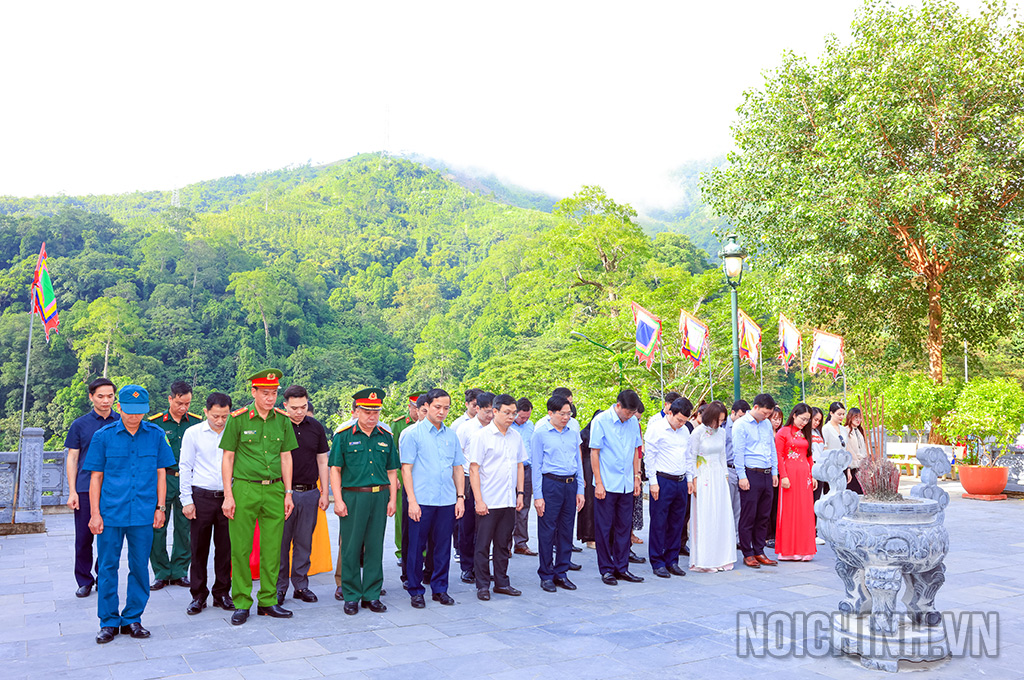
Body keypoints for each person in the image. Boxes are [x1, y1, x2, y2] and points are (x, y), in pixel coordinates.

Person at [83, 385, 176, 644]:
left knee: (139, 567)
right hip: (111, 513)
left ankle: (133, 618)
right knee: (107, 567)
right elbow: (96, 478)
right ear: (119, 407)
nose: (134, 416)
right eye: (129, 411)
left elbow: (161, 473)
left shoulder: (156, 434)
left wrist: (160, 508)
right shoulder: (103, 436)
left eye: (140, 411)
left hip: (144, 513)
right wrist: (94, 514)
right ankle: (108, 622)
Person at [220, 368, 299, 625]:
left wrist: (288, 493)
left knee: (273, 549)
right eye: (265, 393)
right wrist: (228, 495)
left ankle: (268, 600)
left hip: (275, 490)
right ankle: (242, 602)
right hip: (245, 488)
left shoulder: (283, 420)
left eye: (274, 393)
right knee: (241, 549)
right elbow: (228, 458)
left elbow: (286, 457)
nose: (270, 398)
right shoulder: (238, 419)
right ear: (253, 392)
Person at [329, 388, 399, 615]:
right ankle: (351, 595)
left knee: (375, 546)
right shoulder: (343, 435)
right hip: (353, 496)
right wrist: (338, 500)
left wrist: (392, 499)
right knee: (351, 547)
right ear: (356, 411)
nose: (372, 416)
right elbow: (335, 469)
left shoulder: (385, 436)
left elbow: (392, 471)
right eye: (367, 412)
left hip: (379, 496)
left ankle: (372, 595)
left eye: (375, 412)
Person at [402, 388, 466, 608]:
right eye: (437, 407)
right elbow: (406, 469)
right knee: (416, 547)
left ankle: (440, 589)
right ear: (426, 406)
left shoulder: (451, 435)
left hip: (446, 500)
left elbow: (458, 468)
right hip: (421, 501)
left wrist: (460, 497)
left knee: (442, 547)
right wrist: (411, 500)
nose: (442, 412)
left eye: (446, 408)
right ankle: (415, 590)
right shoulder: (412, 434)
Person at [468, 394, 527, 600]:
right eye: (507, 413)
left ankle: (502, 582)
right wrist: (479, 500)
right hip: (488, 501)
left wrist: (520, 493)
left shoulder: (515, 436)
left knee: (503, 544)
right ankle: (483, 585)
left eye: (513, 413)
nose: (511, 417)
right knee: (483, 545)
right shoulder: (481, 436)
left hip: (508, 500)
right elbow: (474, 469)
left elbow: (520, 466)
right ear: (495, 411)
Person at [180, 392, 235, 615]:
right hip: (201, 497)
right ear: (206, 412)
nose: (220, 421)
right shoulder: (193, 433)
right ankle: (198, 595)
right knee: (198, 549)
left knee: (225, 549)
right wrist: (186, 500)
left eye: (224, 416)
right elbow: (185, 467)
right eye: (215, 416)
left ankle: (222, 593)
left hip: (228, 497)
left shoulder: (235, 432)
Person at [65, 377, 120, 598]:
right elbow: (72, 458)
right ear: (91, 397)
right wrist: (72, 491)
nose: (106, 400)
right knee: (84, 537)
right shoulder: (80, 424)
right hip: (86, 488)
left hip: (114, 489)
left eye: (110, 396)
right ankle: (84, 580)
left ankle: (103, 577)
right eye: (101, 396)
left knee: (110, 537)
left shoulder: (122, 422)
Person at [277, 385, 330, 605]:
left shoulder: (316, 427)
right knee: (281, 543)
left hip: (309, 493)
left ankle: (300, 585)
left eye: (303, 407)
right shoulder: (278, 425)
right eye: (294, 408)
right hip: (282, 494)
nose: (299, 412)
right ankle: (279, 587)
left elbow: (322, 461)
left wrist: (324, 492)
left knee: (304, 542)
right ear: (285, 406)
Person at [148, 381, 200, 591]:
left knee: (184, 527)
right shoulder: (156, 424)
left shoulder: (195, 423)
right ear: (170, 399)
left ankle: (180, 571)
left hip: (188, 480)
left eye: (187, 403)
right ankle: (161, 572)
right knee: (158, 525)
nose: (183, 408)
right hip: (163, 479)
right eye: (179, 403)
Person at [590, 390, 645, 585]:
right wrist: (598, 482)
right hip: (607, 483)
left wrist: (637, 477)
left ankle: (622, 568)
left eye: (632, 413)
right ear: (618, 406)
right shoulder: (601, 421)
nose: (629, 416)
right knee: (604, 528)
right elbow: (594, 453)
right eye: (627, 412)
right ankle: (606, 569)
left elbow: (635, 451)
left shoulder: (633, 423)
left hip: (626, 484)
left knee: (624, 527)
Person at [531, 394, 585, 592]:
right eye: (562, 414)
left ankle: (561, 572)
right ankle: (546, 574)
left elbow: (578, 461)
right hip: (550, 484)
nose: (566, 417)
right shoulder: (540, 434)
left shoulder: (573, 432)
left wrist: (581, 489)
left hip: (570, 484)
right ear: (550, 413)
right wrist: (538, 496)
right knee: (547, 530)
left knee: (566, 529)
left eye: (568, 414)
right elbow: (536, 466)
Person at [644, 397, 693, 577]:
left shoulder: (685, 431)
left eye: (684, 421)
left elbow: (688, 456)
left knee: (677, 523)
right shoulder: (656, 428)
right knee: (659, 522)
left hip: (681, 481)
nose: (681, 424)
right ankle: (657, 561)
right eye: (679, 420)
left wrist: (689, 479)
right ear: (670, 412)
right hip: (662, 480)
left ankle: (672, 560)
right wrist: (653, 482)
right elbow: (649, 457)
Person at [688, 401, 736, 572]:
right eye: (718, 420)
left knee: (721, 516)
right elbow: (692, 457)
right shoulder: (698, 433)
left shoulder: (721, 432)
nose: (720, 423)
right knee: (706, 516)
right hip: (703, 477)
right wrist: (693, 480)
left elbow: (722, 455)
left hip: (719, 476)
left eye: (722, 420)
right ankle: (704, 559)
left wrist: (725, 476)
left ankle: (722, 558)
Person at [734, 393, 779, 569]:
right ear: (755, 407)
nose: (766, 417)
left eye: (769, 414)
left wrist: (774, 472)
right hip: (750, 473)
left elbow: (772, 448)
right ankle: (748, 553)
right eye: (764, 413)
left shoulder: (766, 424)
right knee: (749, 515)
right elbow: (738, 452)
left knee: (763, 515)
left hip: (767, 473)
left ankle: (759, 550)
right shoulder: (741, 425)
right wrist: (742, 476)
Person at [455, 391, 494, 583]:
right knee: (468, 527)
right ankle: (467, 567)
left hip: (490, 481)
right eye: (487, 411)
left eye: (493, 411)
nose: (490, 416)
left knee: (486, 528)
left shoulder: (497, 429)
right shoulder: (466, 428)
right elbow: (457, 458)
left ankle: (482, 568)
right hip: (469, 480)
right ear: (477, 408)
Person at [775, 403, 818, 561]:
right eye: (802, 419)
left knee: (805, 511)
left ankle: (805, 550)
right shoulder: (783, 432)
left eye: (807, 420)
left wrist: (813, 475)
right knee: (789, 511)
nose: (804, 422)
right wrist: (783, 476)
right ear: (794, 415)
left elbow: (809, 455)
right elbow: (779, 455)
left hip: (804, 476)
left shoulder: (805, 433)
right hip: (790, 475)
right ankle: (787, 551)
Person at [391, 392, 424, 568]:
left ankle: (423, 551)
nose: (417, 412)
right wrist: (394, 476)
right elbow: (393, 452)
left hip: (422, 475)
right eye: (415, 408)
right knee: (402, 514)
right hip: (402, 474)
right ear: (411, 408)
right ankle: (401, 550)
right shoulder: (399, 424)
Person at [510, 397, 537, 556]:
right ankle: (505, 545)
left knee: (524, 508)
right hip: (510, 470)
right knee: (507, 507)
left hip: (526, 469)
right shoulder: (507, 425)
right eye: (521, 417)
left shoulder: (530, 426)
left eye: (527, 417)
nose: (524, 420)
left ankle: (521, 543)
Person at [724, 399, 750, 542]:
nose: (742, 419)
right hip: (728, 469)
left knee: (739, 506)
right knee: (727, 505)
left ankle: (736, 538)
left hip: (741, 470)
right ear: (733, 412)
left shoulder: (745, 427)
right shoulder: (723, 427)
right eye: (740, 416)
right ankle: (726, 538)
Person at [577, 409, 602, 550]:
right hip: (587, 471)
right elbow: (579, 456)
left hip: (599, 471)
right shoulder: (584, 434)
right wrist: (581, 477)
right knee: (588, 505)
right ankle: (589, 536)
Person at [765, 406, 785, 546]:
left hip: (779, 471)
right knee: (768, 504)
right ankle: (767, 535)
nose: (777, 422)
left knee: (777, 504)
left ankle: (775, 534)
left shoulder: (781, 433)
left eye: (779, 419)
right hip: (768, 470)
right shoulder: (766, 433)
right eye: (774, 419)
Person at [842, 408, 868, 495]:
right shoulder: (845, 430)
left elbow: (864, 448)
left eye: (860, 417)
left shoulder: (860, 431)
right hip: (851, 466)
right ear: (850, 417)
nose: (858, 420)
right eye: (856, 417)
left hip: (861, 467)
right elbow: (847, 448)